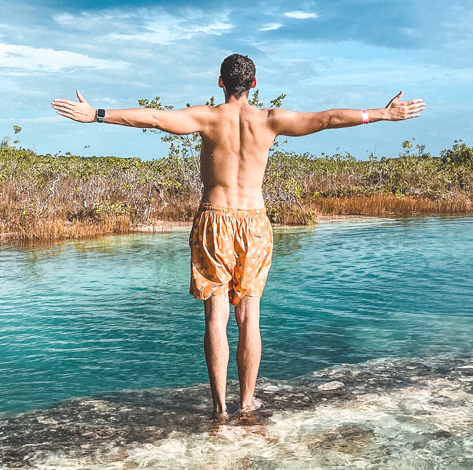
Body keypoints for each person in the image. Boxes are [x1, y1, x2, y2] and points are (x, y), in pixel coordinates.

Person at [52, 53, 425, 418]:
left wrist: (98, 114)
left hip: (215, 219)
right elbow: (327, 119)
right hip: (255, 222)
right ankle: (247, 403)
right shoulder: (270, 120)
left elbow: (152, 118)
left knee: (215, 319)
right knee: (250, 318)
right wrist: (383, 113)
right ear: (254, 84)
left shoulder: (208, 117)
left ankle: (219, 408)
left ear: (220, 82)